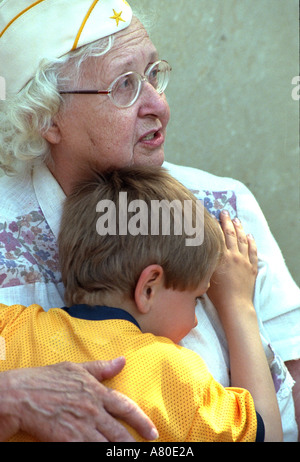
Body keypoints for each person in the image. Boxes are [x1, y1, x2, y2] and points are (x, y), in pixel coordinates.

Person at [0, 0, 299, 442]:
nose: (159, 104)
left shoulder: (223, 208)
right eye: (125, 85)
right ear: (47, 117)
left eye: (154, 74)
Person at [0, 166, 283, 442]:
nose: (196, 320)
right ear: (148, 289)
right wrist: (237, 304)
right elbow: (267, 434)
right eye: (196, 300)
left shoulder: (13, 328)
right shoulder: (173, 377)